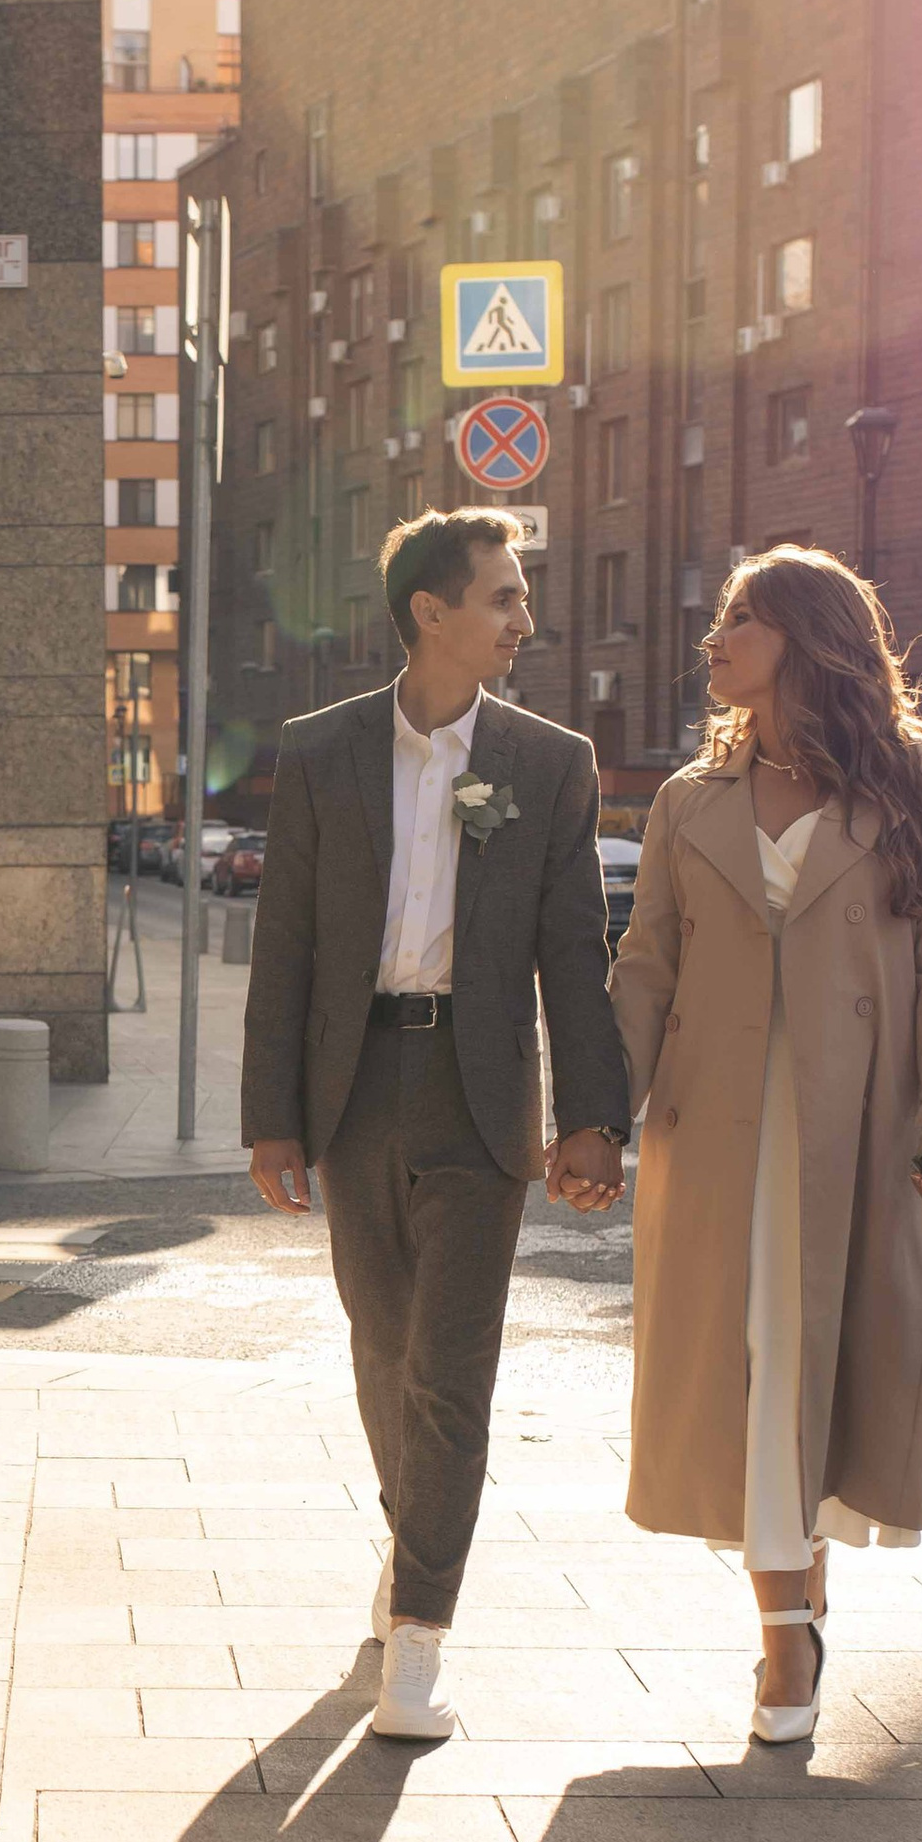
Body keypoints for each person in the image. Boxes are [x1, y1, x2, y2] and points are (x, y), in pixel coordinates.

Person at [243, 506, 630, 1740]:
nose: (523, 619)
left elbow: (577, 951)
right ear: (431, 612)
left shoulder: (549, 762)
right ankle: (412, 1552)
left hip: (479, 1099)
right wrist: (271, 1121)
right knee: (382, 1349)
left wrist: (592, 1119)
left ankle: (418, 1635)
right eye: (504, 597)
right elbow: (286, 946)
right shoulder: (320, 752)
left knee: (452, 1368)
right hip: (353, 1091)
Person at [610, 544, 922, 1742]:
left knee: (815, 1365)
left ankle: (791, 1623)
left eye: (737, 621)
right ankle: (787, 1631)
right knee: (753, 1364)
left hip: (861, 1128)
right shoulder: (689, 801)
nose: (711, 640)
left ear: (804, 638)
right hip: (713, 1137)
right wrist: (583, 1116)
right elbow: (643, 970)